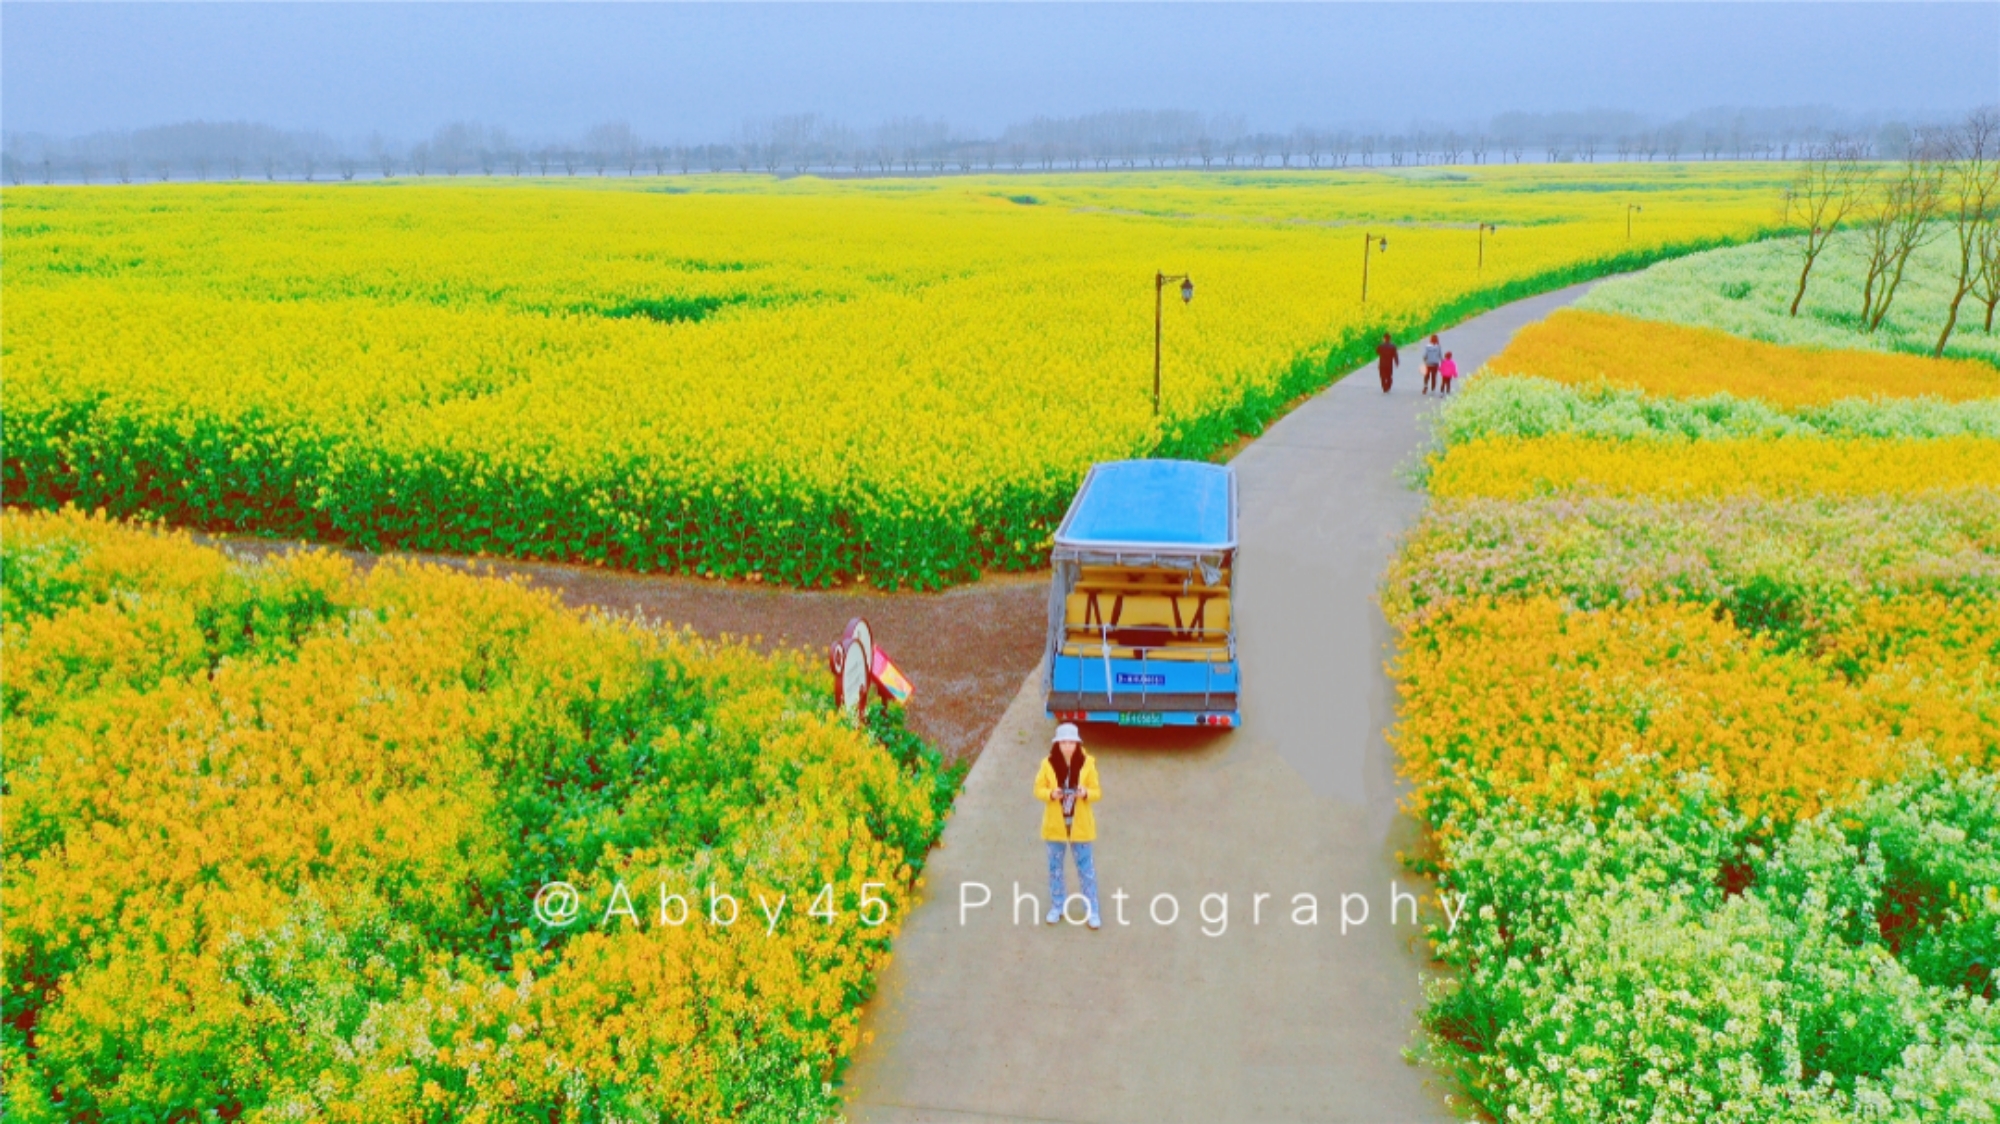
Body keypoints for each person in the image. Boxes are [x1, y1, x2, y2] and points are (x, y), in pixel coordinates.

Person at [1035, 722, 1102, 929]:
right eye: (1063, 742)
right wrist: (1050, 794)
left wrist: (1085, 793)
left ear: (1077, 743)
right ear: (1057, 743)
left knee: (1086, 870)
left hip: (1080, 828)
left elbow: (1097, 792)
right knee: (1055, 869)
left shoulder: (1088, 764)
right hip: (1055, 828)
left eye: (1071, 742)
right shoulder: (1047, 764)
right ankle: (1058, 905)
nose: (1067, 746)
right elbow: (1038, 789)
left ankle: (1092, 910)